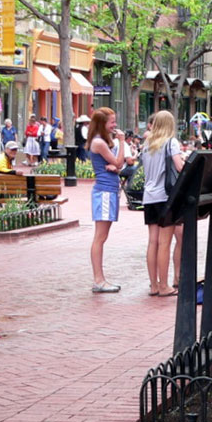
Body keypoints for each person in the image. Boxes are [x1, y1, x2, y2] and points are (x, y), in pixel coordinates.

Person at [141, 110, 184, 297]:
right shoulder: (171, 143)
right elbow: (179, 167)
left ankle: (153, 285)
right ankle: (165, 285)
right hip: (166, 197)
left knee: (153, 242)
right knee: (165, 243)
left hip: (149, 196)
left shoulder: (146, 144)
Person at [87, 107, 125, 293]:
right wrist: (122, 142)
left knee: (102, 237)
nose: (115, 125)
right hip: (104, 192)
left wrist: (116, 166)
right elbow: (119, 162)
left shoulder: (102, 142)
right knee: (100, 237)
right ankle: (98, 280)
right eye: (112, 122)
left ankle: (100, 279)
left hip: (109, 190)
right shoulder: (99, 143)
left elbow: (117, 165)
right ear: (103, 124)